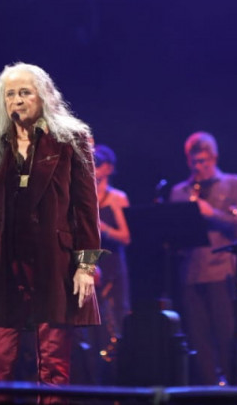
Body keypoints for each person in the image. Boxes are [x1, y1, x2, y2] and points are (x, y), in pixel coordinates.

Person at [0, 63, 103, 386]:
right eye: (10, 94)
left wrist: (85, 266)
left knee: (53, 363)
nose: (17, 101)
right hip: (3, 261)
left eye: (25, 93)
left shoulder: (70, 139)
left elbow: (86, 207)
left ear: (44, 97)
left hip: (54, 259)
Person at [169, 132, 237, 386]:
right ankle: (208, 392)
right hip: (191, 274)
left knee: (227, 335)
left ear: (215, 157)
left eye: (205, 161)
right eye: (195, 162)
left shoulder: (233, 183)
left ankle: (235, 392)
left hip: (221, 271)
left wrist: (210, 213)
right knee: (198, 339)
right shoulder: (179, 192)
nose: (200, 167)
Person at [93, 145, 131, 345]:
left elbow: (126, 237)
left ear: (108, 168)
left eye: (98, 164)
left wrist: (104, 229)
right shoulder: (85, 197)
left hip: (113, 265)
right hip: (92, 264)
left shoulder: (117, 197)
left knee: (116, 316)